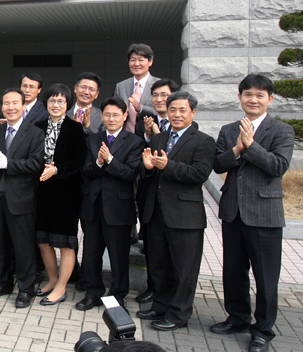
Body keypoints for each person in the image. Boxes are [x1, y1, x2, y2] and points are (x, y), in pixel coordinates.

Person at [211, 74, 294, 352]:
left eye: (260, 95)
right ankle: (237, 318)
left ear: (270, 98)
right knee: (233, 271)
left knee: (265, 277)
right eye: (248, 94)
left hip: (265, 213)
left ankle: (263, 330)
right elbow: (218, 165)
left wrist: (251, 145)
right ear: (240, 97)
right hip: (233, 211)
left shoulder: (281, 130)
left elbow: (278, 166)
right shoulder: (228, 130)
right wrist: (237, 147)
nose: (253, 100)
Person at [137, 92, 215, 331]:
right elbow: (149, 172)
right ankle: (160, 306)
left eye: (182, 110)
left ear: (193, 112)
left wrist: (168, 166)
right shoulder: (159, 139)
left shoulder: (203, 141)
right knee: (159, 265)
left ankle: (179, 314)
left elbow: (200, 173)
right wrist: (147, 168)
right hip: (156, 213)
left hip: (184, 216)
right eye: (173, 110)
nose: (177, 114)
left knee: (184, 269)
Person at [78, 97, 144, 310]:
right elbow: (85, 171)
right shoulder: (92, 140)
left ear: (125, 116)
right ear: (102, 116)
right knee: (91, 254)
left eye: (116, 115)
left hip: (118, 208)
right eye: (107, 114)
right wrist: (98, 162)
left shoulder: (135, 142)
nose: (111, 119)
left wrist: (110, 160)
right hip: (93, 206)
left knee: (118, 256)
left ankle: (117, 296)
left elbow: (130, 173)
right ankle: (92, 293)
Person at [0, 88, 44, 308]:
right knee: (0, 244)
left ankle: (26, 289)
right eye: (6, 103)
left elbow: (36, 163)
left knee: (23, 247)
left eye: (15, 103)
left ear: (23, 106)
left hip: (21, 198)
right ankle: (2, 282)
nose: (10, 107)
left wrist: (10, 164)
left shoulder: (35, 133)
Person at [33, 84, 88, 307]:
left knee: (66, 243)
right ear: (46, 103)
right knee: (43, 241)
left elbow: (80, 160)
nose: (56, 105)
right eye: (52, 100)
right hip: (41, 191)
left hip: (67, 192)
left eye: (61, 101)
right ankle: (52, 279)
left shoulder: (75, 129)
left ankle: (62, 287)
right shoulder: (37, 127)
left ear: (68, 104)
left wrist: (57, 170)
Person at [135, 78, 180, 304]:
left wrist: (156, 135)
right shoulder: (144, 121)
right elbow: (137, 153)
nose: (159, 99)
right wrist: (147, 136)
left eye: (164, 95)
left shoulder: (181, 124)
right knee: (151, 245)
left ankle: (171, 293)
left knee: (172, 248)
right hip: (148, 192)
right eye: (155, 95)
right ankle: (152, 287)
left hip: (173, 198)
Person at [114, 44, 159, 133]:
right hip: (125, 136)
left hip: (151, 135)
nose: (136, 64)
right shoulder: (121, 86)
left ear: (150, 62)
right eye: (133, 60)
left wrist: (141, 108)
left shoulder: (159, 85)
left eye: (141, 60)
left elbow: (165, 111)